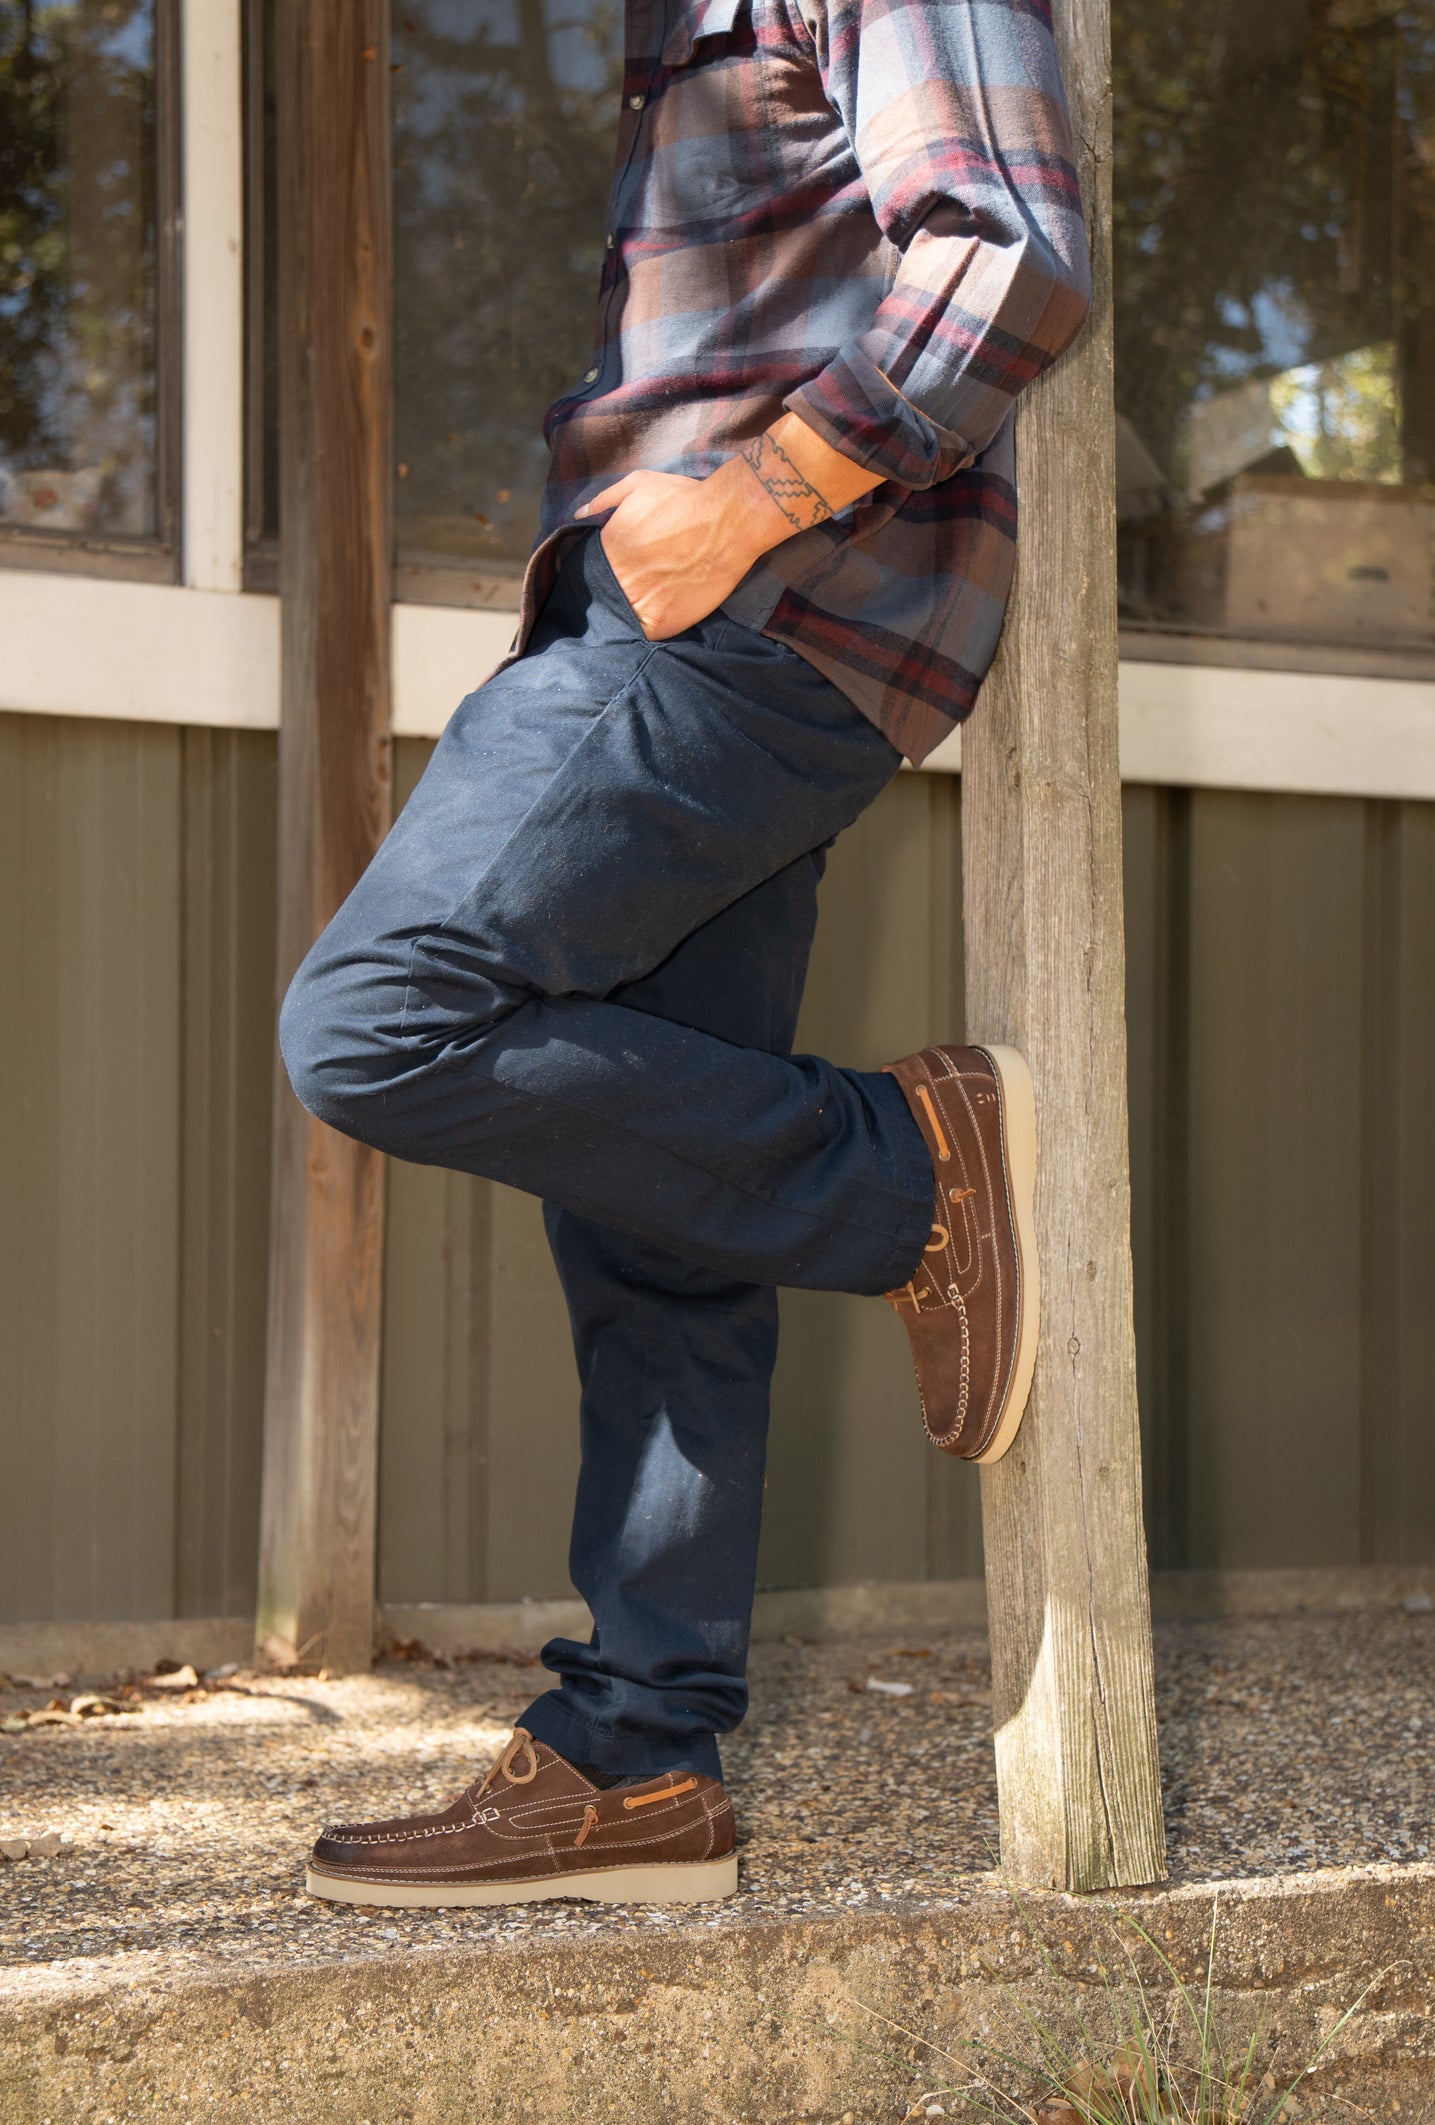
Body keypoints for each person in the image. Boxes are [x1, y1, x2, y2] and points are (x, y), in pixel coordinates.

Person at [284, 0, 1089, 1910]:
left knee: (377, 1022)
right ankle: (637, 1761)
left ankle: (909, 1175)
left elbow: (1004, 248)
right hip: (717, 623)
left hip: (745, 624)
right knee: (666, 1204)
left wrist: (756, 495)